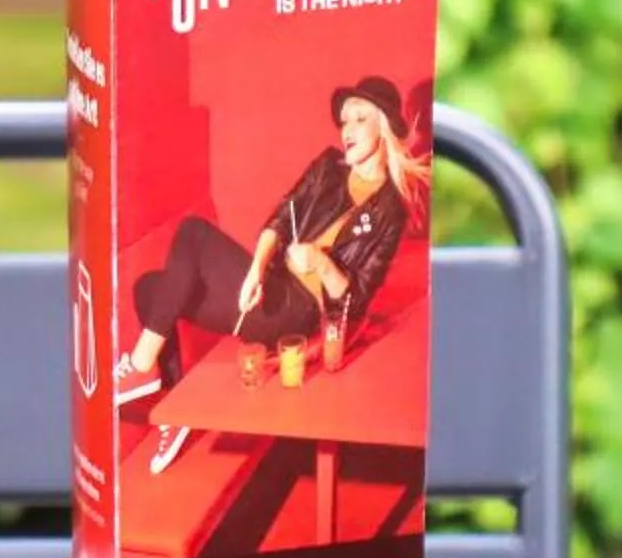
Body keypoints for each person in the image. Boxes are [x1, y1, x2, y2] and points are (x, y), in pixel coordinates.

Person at [113, 75, 429, 475]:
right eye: (344, 121)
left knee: (193, 233)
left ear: (383, 126)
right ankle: (175, 411)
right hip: (271, 292)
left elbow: (355, 300)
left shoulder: (390, 211)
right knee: (151, 289)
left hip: (297, 313)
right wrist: (257, 270)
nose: (347, 130)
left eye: (359, 119)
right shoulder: (328, 167)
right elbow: (281, 217)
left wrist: (319, 261)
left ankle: (141, 367)